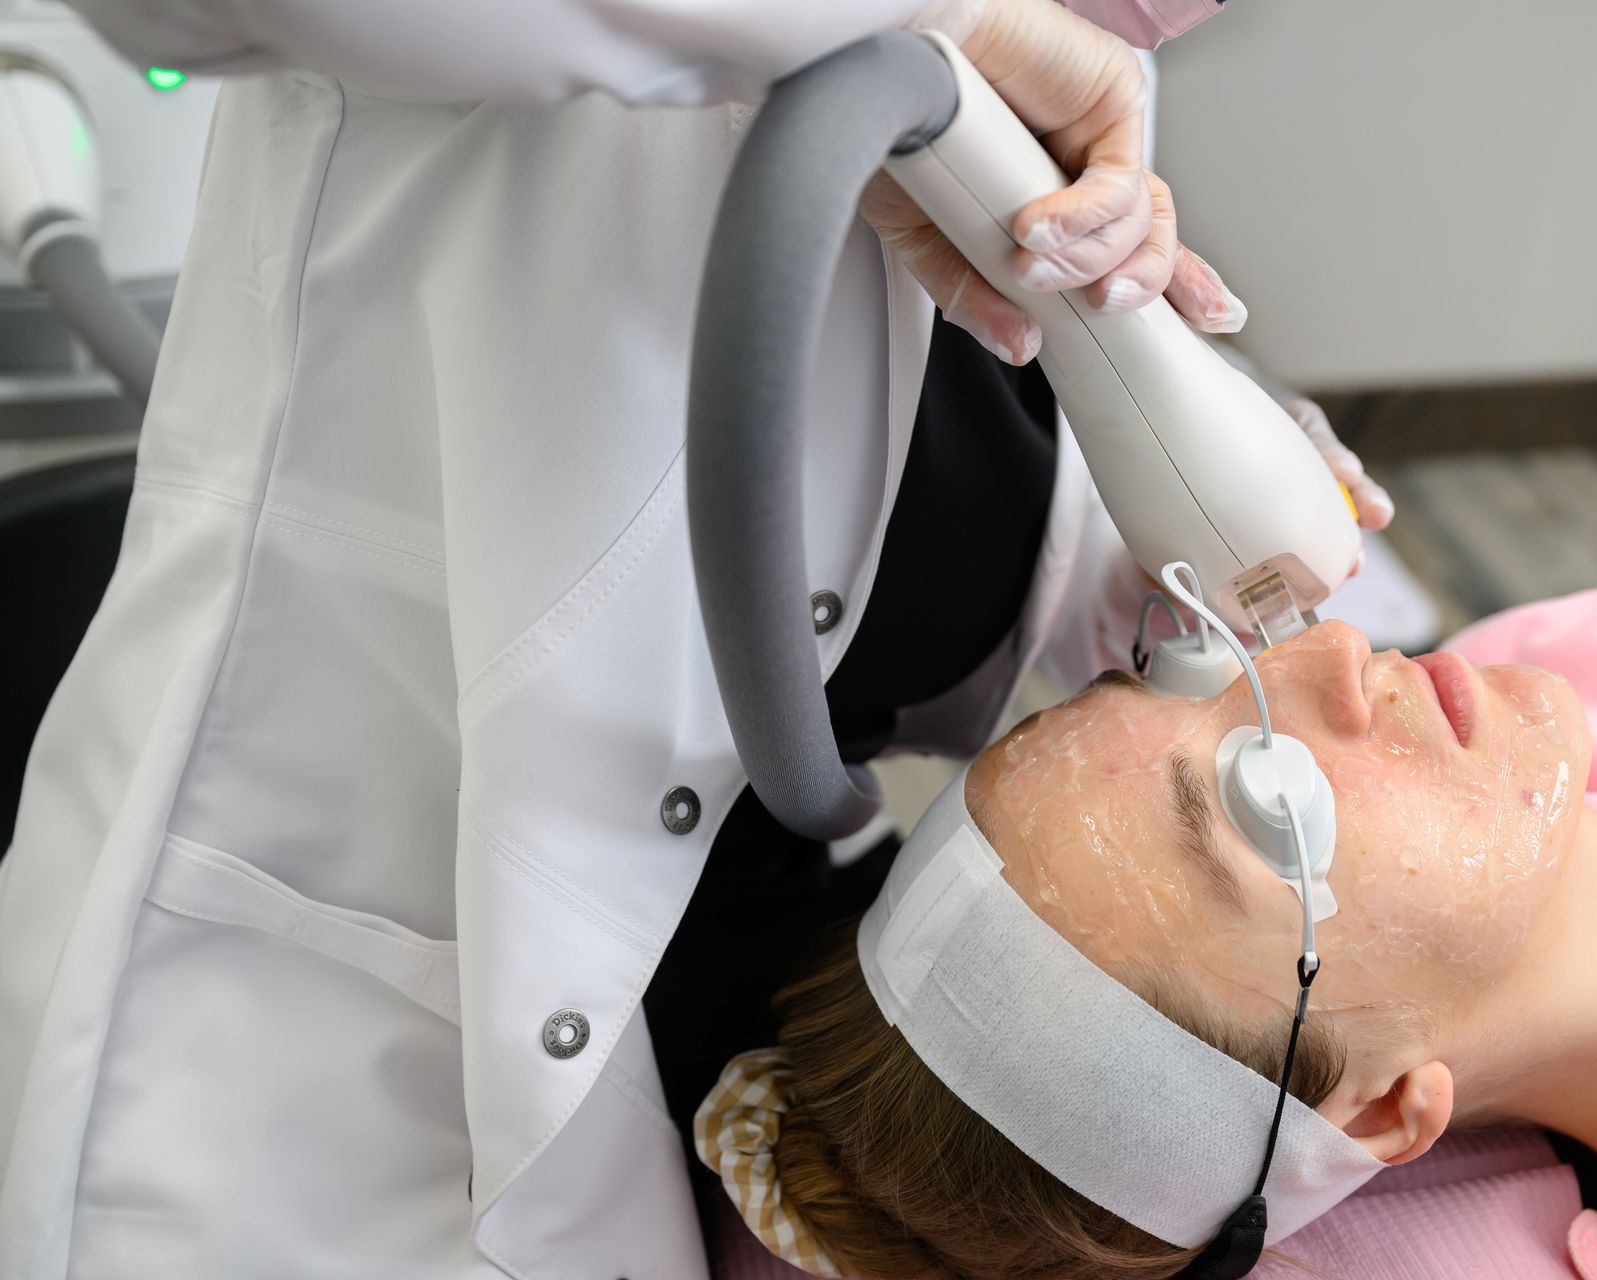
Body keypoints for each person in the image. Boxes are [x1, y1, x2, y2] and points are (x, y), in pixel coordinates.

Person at [0, 1, 1394, 1277]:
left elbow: (895, 474)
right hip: (306, 1082)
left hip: (718, 998)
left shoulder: (1049, 52)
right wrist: (914, 22)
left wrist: (1152, 506)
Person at [698, 486, 1597, 1280]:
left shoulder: (1526, 672)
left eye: (1193, 681)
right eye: (1272, 798)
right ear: (1381, 1111)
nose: (1330, 651)